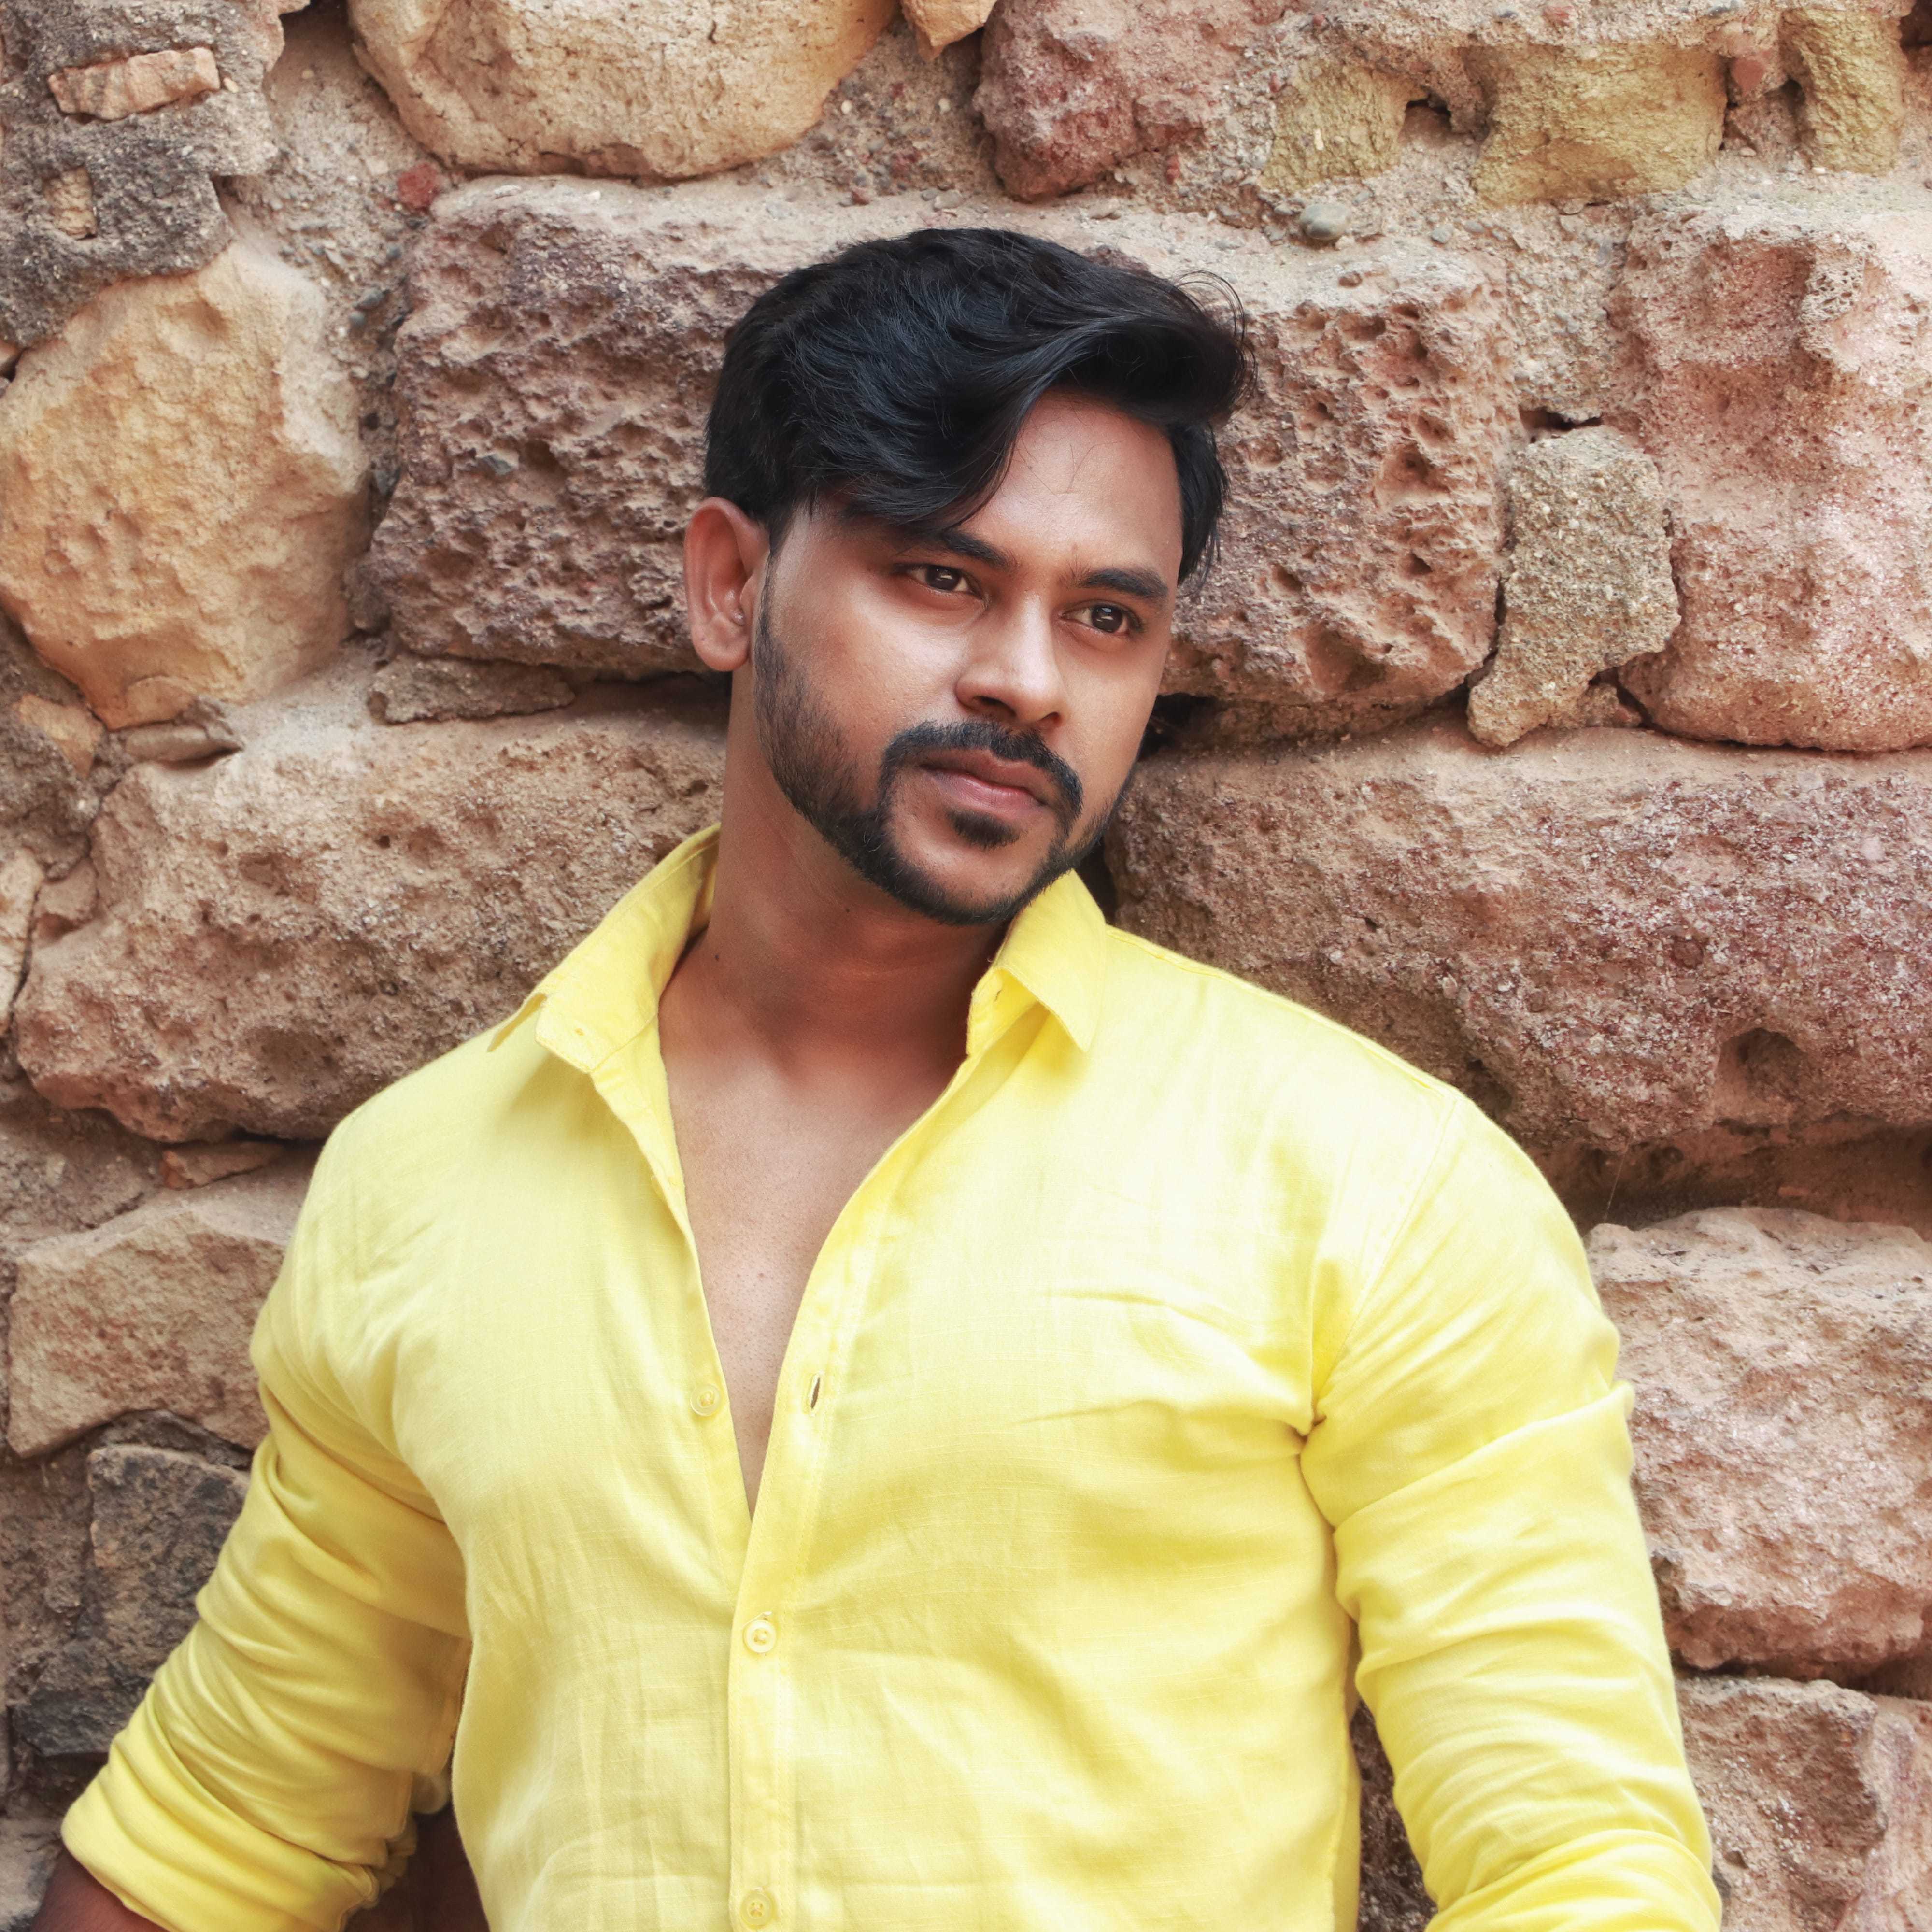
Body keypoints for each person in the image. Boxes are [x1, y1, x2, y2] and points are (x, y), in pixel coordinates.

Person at [36, 227, 1719, 1932]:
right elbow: (218, 1843)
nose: (1027, 682)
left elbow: (1579, 1872)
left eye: (1107, 618)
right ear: (728, 584)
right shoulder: (427, 1186)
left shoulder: (1370, 1188)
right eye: (942, 578)